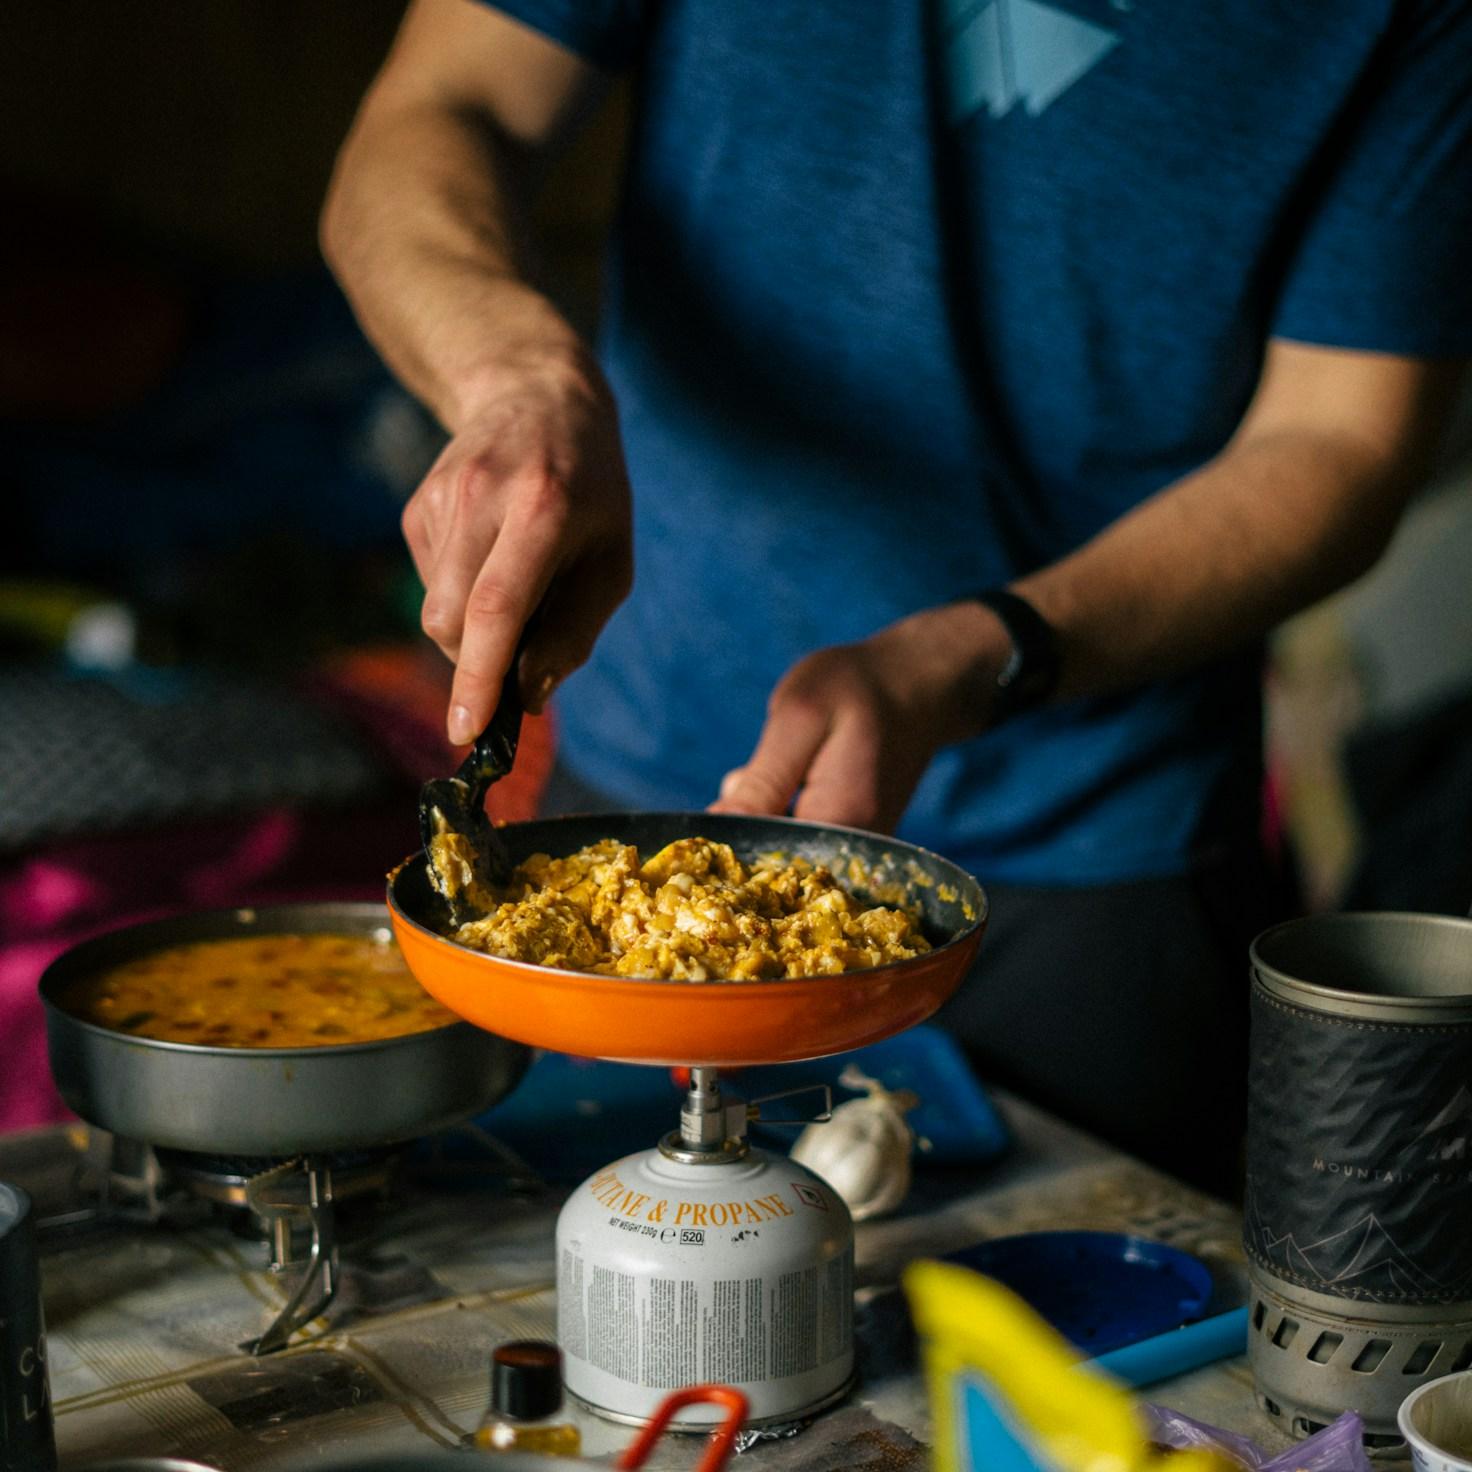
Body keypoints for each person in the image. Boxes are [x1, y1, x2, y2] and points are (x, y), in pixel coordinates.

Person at [322, 0, 1471, 1192]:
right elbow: (435, 111)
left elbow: (1342, 441)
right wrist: (519, 382)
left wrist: (980, 651)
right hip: (647, 786)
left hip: (1099, 840)